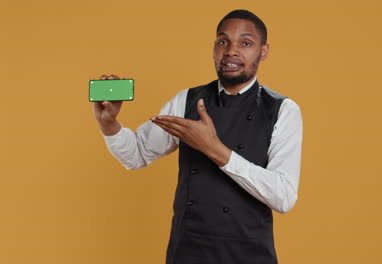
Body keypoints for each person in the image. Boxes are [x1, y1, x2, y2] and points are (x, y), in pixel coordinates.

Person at [93, 9, 303, 264]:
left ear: (264, 51)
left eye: (245, 43)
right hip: (188, 252)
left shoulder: (282, 110)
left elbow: (284, 196)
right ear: (214, 47)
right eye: (223, 41)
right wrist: (109, 125)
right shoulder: (187, 101)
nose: (231, 51)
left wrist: (215, 149)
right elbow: (137, 154)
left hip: (249, 255)